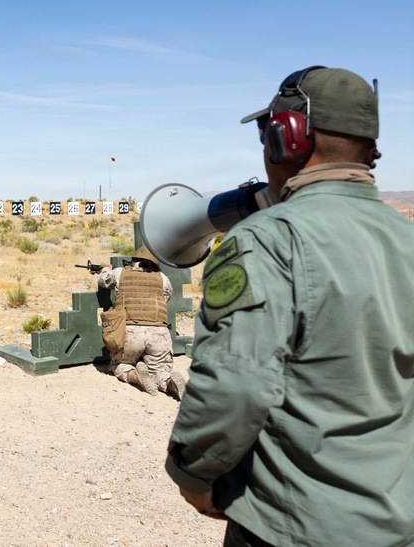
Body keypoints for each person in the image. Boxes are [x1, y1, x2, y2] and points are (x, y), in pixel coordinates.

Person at [165, 66, 414, 546]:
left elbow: (235, 385)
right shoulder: (406, 238)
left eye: (266, 133)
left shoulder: (266, 242)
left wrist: (193, 476)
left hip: (298, 526)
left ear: (289, 138)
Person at [97, 246, 184, 399]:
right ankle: (169, 382)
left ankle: (135, 375)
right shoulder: (162, 278)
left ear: (135, 259)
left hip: (130, 332)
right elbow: (166, 297)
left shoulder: (120, 272)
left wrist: (105, 269)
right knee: (159, 371)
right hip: (159, 332)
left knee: (119, 365)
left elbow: (104, 281)